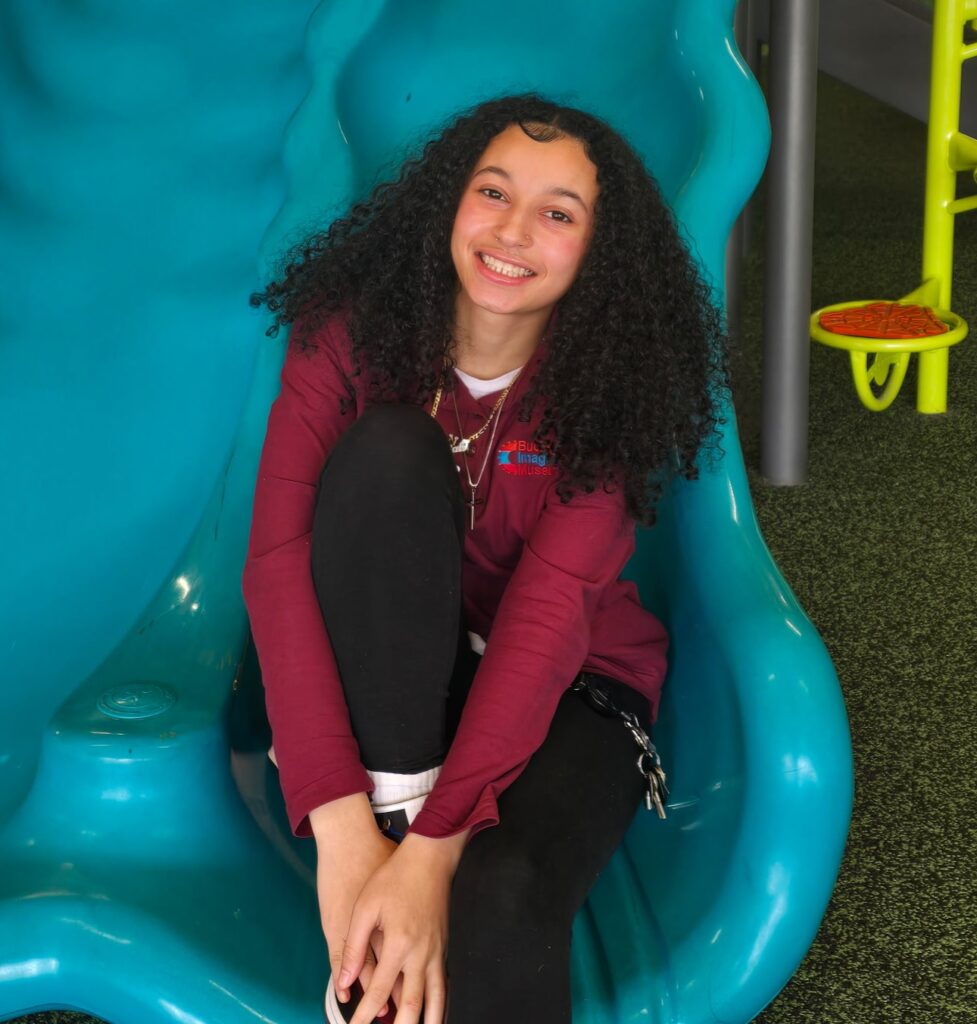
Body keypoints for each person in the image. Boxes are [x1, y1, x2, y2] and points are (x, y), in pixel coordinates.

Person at [242, 93, 727, 1024]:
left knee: (496, 907)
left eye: (558, 214)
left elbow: (545, 625)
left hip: (570, 678)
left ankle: (404, 877)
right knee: (388, 453)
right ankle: (391, 828)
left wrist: (431, 857)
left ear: (598, 252)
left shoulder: (606, 396)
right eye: (492, 192)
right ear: (446, 203)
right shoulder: (344, 336)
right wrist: (347, 835)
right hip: (390, 674)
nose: (513, 231)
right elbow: (277, 565)